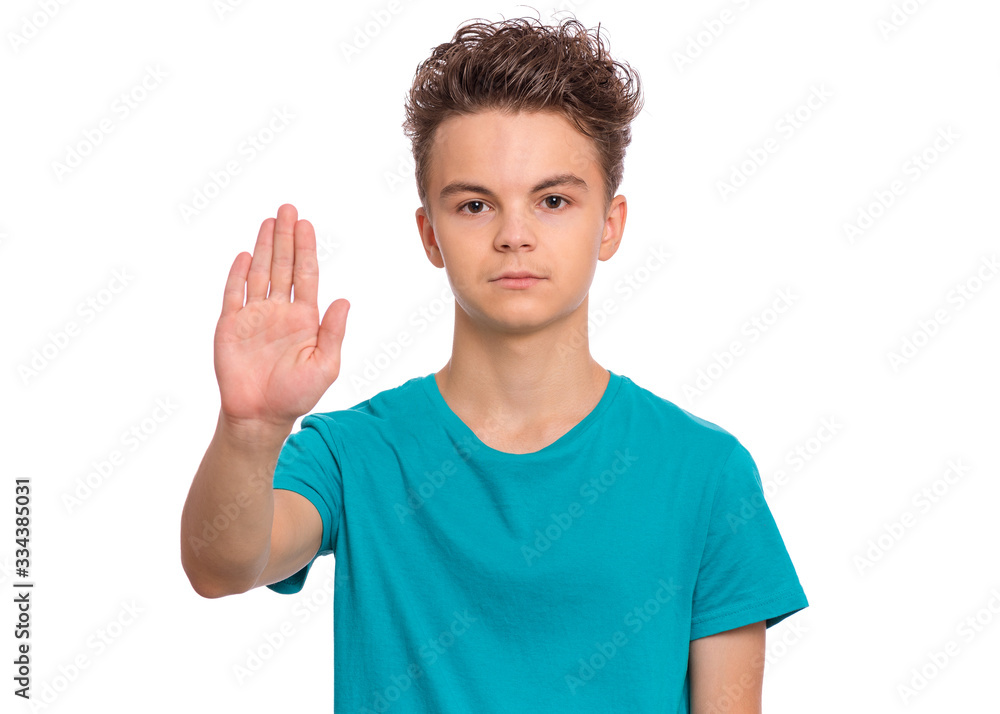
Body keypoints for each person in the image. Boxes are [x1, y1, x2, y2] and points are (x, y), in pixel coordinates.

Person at [180, 15, 808, 713]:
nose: (514, 235)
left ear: (610, 224)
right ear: (430, 233)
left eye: (553, 200)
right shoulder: (352, 455)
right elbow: (221, 564)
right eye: (476, 204)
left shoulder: (704, 473)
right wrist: (252, 430)